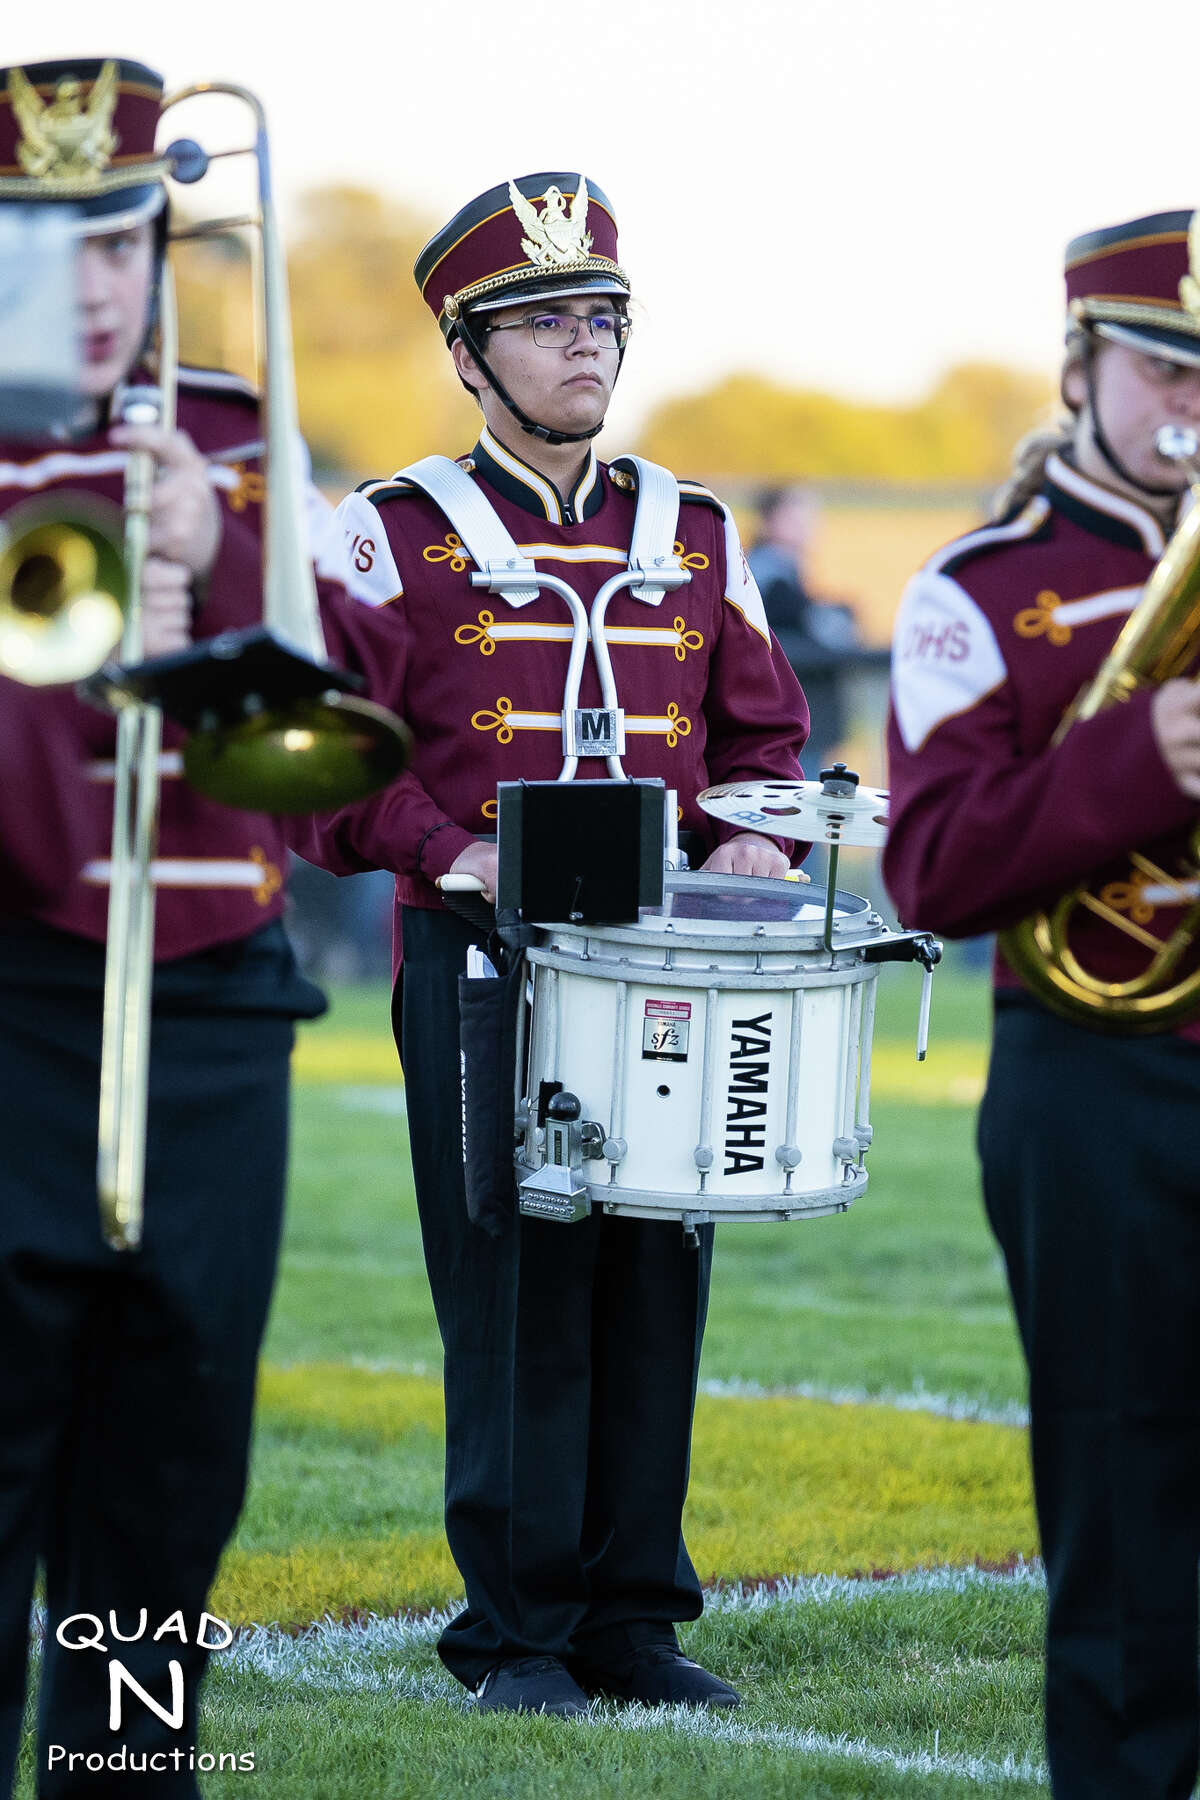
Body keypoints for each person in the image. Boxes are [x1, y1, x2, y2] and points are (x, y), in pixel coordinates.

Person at [305, 172, 809, 1717]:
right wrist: (441, 847)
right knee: (517, 1286)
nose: (583, 346)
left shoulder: (699, 528)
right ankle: (516, 1631)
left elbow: (769, 744)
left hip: (670, 969)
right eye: (541, 322)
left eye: (600, 317)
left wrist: (752, 834)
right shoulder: (388, 536)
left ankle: (632, 1621)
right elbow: (321, 763)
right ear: (466, 352)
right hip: (480, 965)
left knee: (659, 1276)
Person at [0, 57, 404, 1797]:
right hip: (11, 1000)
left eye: (120, 244)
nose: (93, 288)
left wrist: (219, 561)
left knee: (172, 1470)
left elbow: (345, 738)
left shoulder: (235, 437)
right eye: (44, 246)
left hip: (218, 1006)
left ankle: (123, 1777)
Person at [884, 211, 1200, 1800]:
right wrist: (1144, 760)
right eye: (1166, 364)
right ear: (1081, 366)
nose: (1190, 405)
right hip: (1100, 1080)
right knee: (1126, 1486)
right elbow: (930, 873)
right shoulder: (977, 594)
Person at [748, 485, 861, 781]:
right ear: (768, 520)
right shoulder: (764, 573)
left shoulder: (784, 571)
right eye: (794, 515)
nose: (807, 523)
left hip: (800, 717)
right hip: (781, 718)